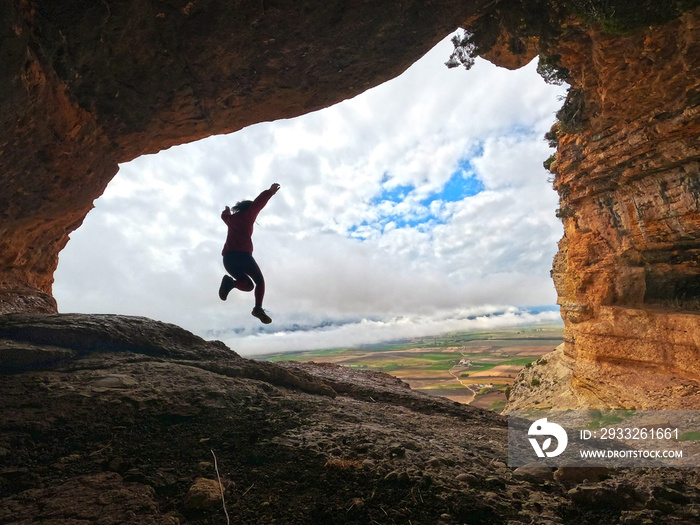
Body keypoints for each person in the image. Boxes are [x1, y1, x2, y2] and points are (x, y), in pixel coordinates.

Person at [218, 183, 281, 324]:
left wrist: (227, 211)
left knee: (248, 285)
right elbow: (259, 203)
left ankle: (231, 284)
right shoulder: (249, 214)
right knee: (259, 282)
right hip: (243, 256)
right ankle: (258, 308)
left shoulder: (231, 220)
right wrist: (270, 192)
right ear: (249, 208)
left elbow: (224, 216)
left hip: (228, 259)